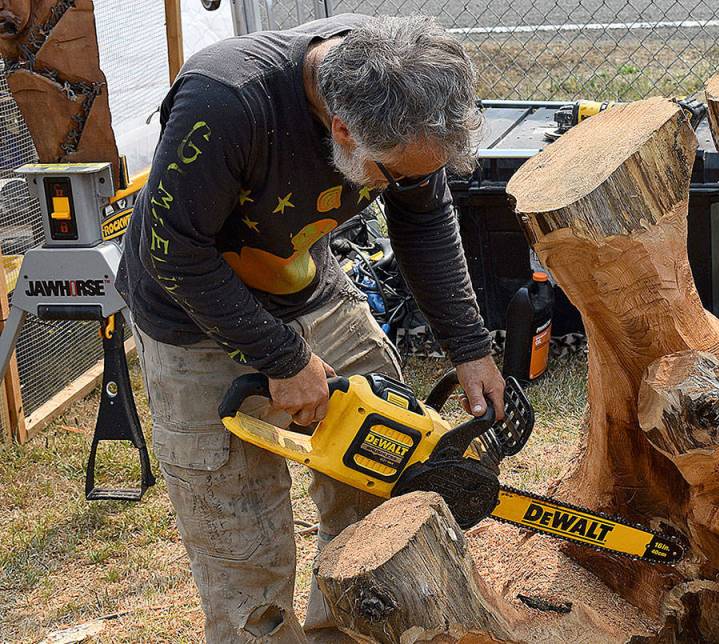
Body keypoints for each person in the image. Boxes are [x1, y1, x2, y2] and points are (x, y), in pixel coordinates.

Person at [116, 14, 505, 642]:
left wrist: (469, 347)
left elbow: (425, 223)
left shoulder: (404, 86)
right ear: (343, 129)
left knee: (385, 484)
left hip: (309, 290)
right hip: (192, 313)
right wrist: (282, 358)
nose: (403, 187)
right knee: (243, 549)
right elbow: (174, 252)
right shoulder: (225, 103)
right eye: (393, 174)